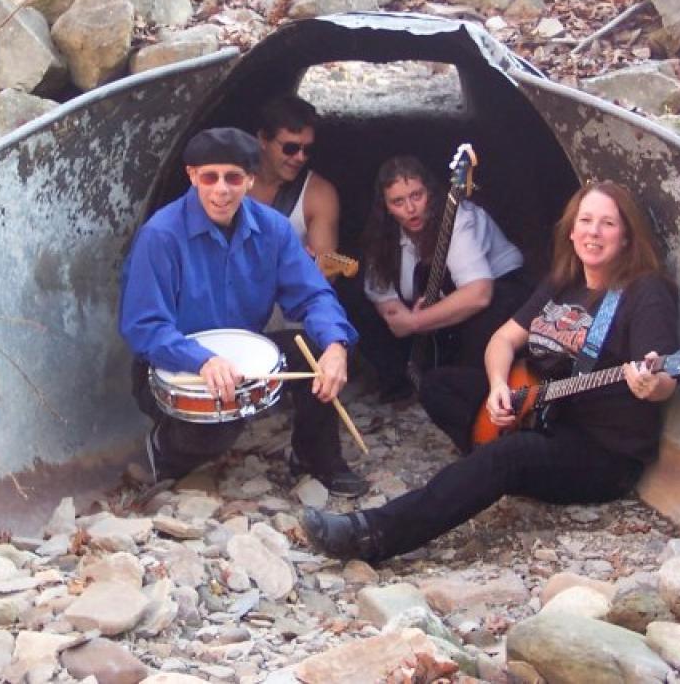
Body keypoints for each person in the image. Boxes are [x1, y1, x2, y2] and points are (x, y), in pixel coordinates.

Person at [301, 180, 679, 561]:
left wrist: (652, 383)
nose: (593, 232)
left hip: (599, 451)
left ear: (627, 237)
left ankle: (374, 533)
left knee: (507, 456)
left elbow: (663, 377)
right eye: (585, 220)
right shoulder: (564, 282)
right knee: (438, 385)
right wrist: (499, 386)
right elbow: (503, 340)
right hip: (539, 411)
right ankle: (487, 466)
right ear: (571, 229)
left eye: (607, 224)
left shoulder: (645, 291)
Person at [119, 127, 369, 497]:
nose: (221, 189)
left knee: (317, 350)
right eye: (210, 177)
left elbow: (314, 295)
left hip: (240, 359)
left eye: (233, 178)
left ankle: (316, 457)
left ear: (250, 179)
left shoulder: (274, 229)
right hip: (172, 364)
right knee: (220, 427)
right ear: (192, 176)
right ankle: (166, 448)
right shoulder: (160, 235)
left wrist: (335, 346)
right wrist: (202, 360)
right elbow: (144, 325)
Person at [358, 155, 529, 402]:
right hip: (435, 306)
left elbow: (479, 293)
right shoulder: (382, 235)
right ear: (385, 206)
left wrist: (416, 322)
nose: (410, 208)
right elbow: (380, 292)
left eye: (417, 196)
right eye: (398, 201)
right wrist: (397, 315)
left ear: (429, 192)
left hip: (501, 294)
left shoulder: (456, 218)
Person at [249, 95, 341, 260]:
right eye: (290, 148)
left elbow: (327, 268)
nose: (300, 157)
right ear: (263, 139)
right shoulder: (227, 181)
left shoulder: (319, 196)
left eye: (307, 150)